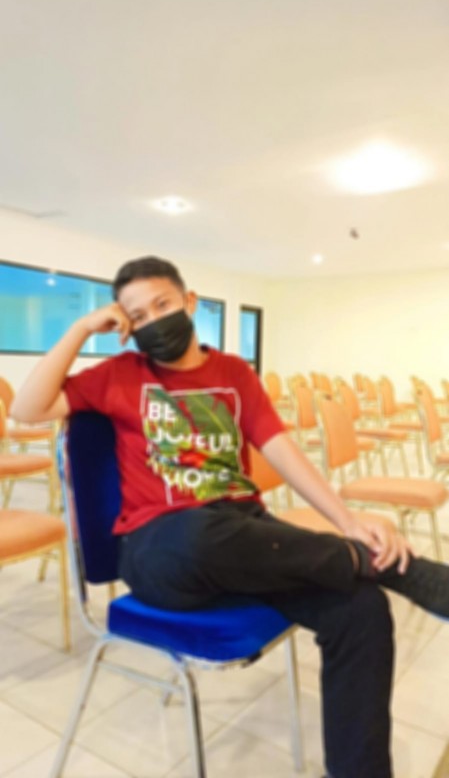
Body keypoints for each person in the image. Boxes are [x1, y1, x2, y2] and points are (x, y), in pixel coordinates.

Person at [10, 255, 449, 778]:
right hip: (162, 545)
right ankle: (388, 566)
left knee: (361, 610)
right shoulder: (119, 375)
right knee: (201, 533)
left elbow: (282, 450)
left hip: (245, 538)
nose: (153, 321)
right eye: (138, 316)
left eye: (162, 305)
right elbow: (25, 410)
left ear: (189, 302)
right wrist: (81, 328)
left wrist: (346, 518)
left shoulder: (234, 373)